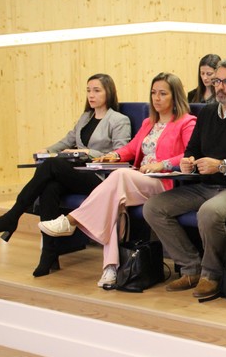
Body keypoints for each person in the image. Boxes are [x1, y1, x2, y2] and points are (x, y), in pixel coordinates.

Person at [37, 73, 196, 287]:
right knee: (112, 204)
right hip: (139, 180)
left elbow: (190, 153)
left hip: (163, 182)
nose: (156, 98)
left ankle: (72, 221)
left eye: (163, 94)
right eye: (153, 93)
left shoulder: (186, 122)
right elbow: (131, 148)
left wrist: (162, 164)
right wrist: (114, 155)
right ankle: (110, 269)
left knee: (119, 176)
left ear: (175, 96)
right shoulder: (149, 123)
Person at [143, 59, 226, 299]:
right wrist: (188, 161)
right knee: (153, 207)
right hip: (204, 186)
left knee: (209, 212)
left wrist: (222, 165)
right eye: (216, 81)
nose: (219, 87)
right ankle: (190, 267)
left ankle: (212, 273)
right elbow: (192, 149)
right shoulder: (208, 113)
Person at [0, 74, 131, 277]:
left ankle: (12, 216)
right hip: (78, 175)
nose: (91, 95)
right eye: (88, 90)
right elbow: (66, 141)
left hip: (101, 179)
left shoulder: (119, 120)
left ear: (109, 92)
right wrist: (46, 151)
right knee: (50, 188)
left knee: (52, 165)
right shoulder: (85, 118)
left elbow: (121, 153)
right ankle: (49, 254)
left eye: (97, 90)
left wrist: (88, 152)